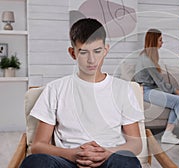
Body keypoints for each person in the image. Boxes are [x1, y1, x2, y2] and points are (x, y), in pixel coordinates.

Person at [20, 18, 144, 168]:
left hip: (109, 159)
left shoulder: (123, 89)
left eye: (97, 51)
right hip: (68, 161)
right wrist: (72, 154)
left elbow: (136, 143)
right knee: (36, 162)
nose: (91, 60)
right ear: (73, 53)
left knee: (126, 161)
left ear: (106, 50)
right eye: (83, 52)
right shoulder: (55, 89)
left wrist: (106, 152)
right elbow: (38, 145)